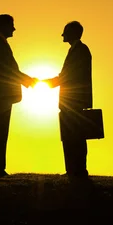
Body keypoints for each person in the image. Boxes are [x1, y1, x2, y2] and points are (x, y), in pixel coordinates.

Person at [0, 14, 35, 177]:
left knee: (1, 131)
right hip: (1, 97)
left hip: (2, 96)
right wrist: (28, 81)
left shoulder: (0, 45)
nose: (14, 28)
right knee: (0, 132)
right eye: (11, 25)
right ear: (4, 26)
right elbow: (10, 71)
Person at [44, 21, 92, 178]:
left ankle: (78, 169)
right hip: (70, 101)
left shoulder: (81, 50)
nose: (63, 34)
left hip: (74, 101)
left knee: (76, 135)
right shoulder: (76, 50)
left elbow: (69, 76)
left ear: (74, 32)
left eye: (65, 31)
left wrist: (50, 82)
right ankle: (72, 169)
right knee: (70, 135)